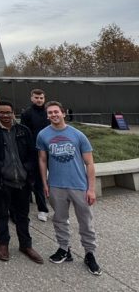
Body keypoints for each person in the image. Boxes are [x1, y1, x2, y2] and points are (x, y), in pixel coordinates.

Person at [37, 101, 102, 275]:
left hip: (79, 186)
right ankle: (64, 249)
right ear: (47, 115)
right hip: (56, 185)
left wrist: (91, 189)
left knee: (86, 222)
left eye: (56, 112)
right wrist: (45, 184)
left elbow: (89, 163)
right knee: (59, 220)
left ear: (63, 113)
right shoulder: (43, 135)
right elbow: (42, 161)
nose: (53, 115)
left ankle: (90, 254)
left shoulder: (78, 135)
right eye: (50, 112)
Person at [0, 101, 43, 264]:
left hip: (22, 181)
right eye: (2, 112)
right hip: (1, 181)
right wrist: (2, 168)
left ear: (13, 112)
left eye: (8, 112)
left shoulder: (23, 130)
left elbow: (32, 152)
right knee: (1, 215)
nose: (5, 115)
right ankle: (3, 244)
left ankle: (26, 245)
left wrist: (26, 168)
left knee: (22, 216)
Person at [20, 89, 50, 222]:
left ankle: (60, 210)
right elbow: (24, 135)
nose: (39, 100)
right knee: (39, 182)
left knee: (56, 181)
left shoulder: (49, 112)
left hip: (52, 151)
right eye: (36, 97)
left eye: (41, 98)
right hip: (36, 153)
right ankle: (42, 209)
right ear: (32, 98)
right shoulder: (26, 114)